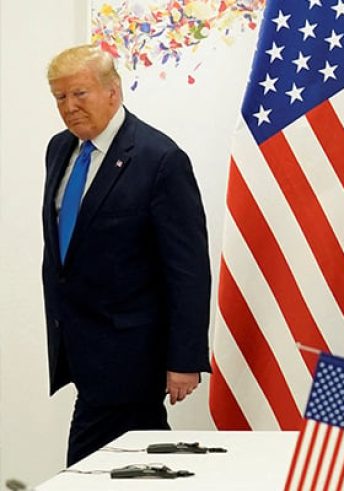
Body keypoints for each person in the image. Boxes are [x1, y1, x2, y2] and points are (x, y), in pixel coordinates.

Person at [42, 44, 211, 465]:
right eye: (60, 97)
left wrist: (185, 359)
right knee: (136, 464)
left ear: (113, 91)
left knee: (87, 469)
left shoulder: (160, 159)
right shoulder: (59, 150)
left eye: (79, 93)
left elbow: (188, 269)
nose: (69, 107)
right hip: (82, 345)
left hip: (133, 350)